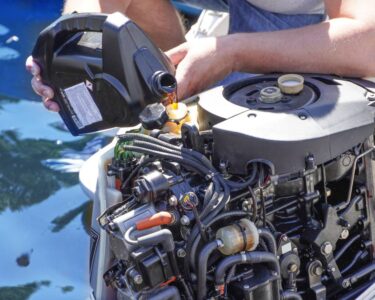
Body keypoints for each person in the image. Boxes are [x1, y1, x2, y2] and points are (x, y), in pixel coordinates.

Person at [26, 0, 375, 112]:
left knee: (253, 137)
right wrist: (65, 44)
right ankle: (162, 95)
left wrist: (232, 53)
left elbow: (369, 42)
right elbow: (88, 11)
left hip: (288, 9)